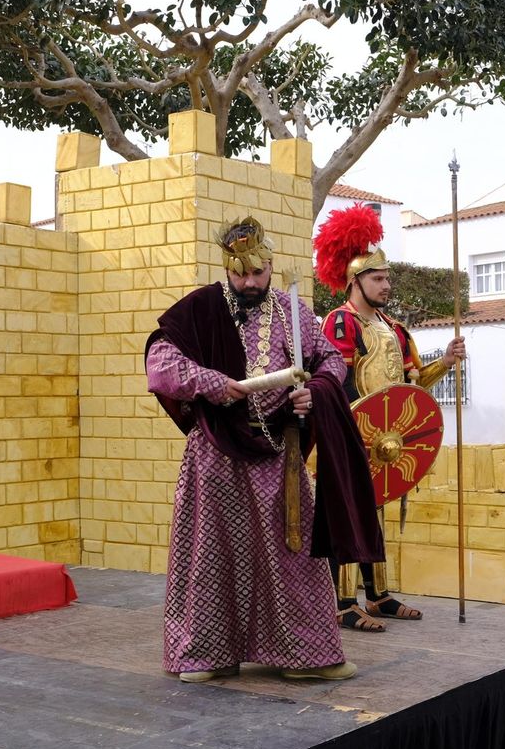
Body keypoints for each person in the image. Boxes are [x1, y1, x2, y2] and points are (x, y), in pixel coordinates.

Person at [145, 217, 382, 683]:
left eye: (258, 272)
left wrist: (314, 391)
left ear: (271, 265)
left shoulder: (295, 314)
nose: (249, 282)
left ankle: (307, 655)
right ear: (228, 268)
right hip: (214, 454)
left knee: (295, 554)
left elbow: (332, 361)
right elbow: (159, 364)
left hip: (280, 453)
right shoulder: (200, 309)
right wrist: (216, 384)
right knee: (212, 553)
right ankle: (206, 655)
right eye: (240, 274)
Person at [315, 204, 464, 631]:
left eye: (386, 277)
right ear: (354, 280)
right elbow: (334, 380)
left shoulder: (397, 329)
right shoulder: (341, 323)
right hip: (349, 434)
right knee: (345, 514)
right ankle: (343, 602)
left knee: (375, 513)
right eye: (378, 278)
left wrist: (446, 362)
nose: (386, 284)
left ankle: (377, 596)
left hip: (387, 439)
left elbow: (412, 388)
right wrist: (348, 433)